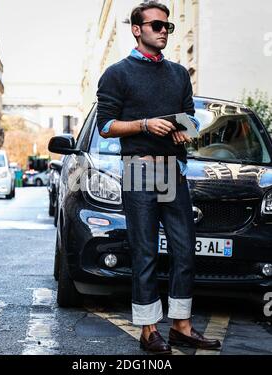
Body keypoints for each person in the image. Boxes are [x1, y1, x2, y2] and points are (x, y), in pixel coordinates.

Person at [97, 1, 221, 354]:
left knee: (184, 249)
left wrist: (185, 129)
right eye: (156, 25)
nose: (164, 30)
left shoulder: (179, 73)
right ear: (137, 29)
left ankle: (181, 325)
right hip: (138, 167)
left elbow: (190, 119)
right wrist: (145, 124)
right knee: (145, 252)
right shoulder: (117, 73)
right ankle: (149, 329)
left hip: (173, 170)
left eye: (167, 26)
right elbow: (106, 125)